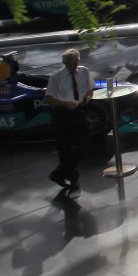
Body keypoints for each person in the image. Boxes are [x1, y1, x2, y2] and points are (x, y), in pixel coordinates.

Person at [45, 49, 93, 194]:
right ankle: (71, 177)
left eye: (76, 62)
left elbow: (90, 90)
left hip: (79, 111)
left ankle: (59, 174)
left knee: (83, 145)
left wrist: (87, 98)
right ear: (65, 63)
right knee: (64, 148)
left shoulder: (84, 71)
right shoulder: (56, 77)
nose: (74, 66)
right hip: (62, 114)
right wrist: (65, 104)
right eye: (71, 63)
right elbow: (48, 98)